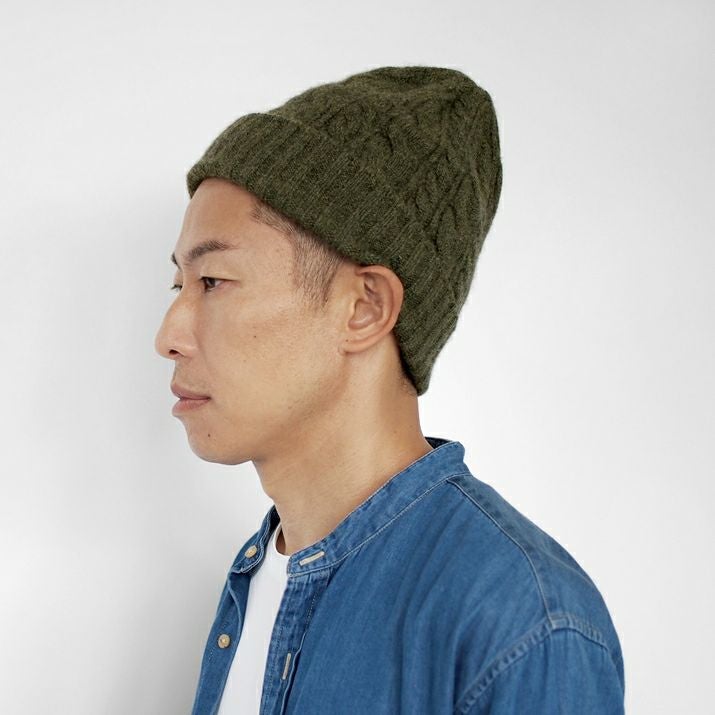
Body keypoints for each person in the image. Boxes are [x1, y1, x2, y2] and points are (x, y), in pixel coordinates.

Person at [154, 65, 625, 714]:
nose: (168, 335)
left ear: (365, 308)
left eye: (213, 281)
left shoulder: (524, 621)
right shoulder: (257, 575)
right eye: (177, 285)